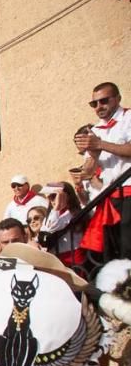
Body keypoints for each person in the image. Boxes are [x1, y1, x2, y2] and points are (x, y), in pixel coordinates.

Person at [75, 81, 131, 258]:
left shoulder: (128, 118)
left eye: (104, 101)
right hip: (109, 196)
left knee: (129, 247)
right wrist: (90, 158)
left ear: (118, 99)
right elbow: (89, 171)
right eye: (94, 103)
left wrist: (100, 144)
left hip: (129, 191)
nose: (99, 106)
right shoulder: (95, 130)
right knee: (115, 251)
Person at [41, 181, 86, 266]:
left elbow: (53, 227)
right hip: (57, 256)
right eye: (49, 197)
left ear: (66, 196)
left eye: (54, 196)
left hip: (72, 255)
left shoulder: (73, 213)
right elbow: (44, 231)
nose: (51, 200)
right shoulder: (52, 213)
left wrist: (57, 206)